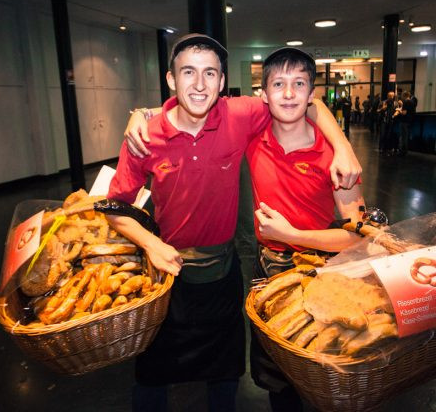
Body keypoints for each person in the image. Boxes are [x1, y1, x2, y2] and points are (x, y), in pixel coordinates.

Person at [115, 33, 361, 412]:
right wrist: (151, 244)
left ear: (222, 81)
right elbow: (113, 206)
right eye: (189, 73)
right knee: (151, 375)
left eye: (210, 73)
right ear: (170, 79)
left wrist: (343, 145)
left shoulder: (240, 118)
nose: (199, 84)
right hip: (167, 272)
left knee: (230, 374)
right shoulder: (148, 136)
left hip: (233, 273)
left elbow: (304, 104)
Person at [245, 47, 364, 412]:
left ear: (311, 93)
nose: (288, 93)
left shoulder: (334, 157)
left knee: (325, 374)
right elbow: (196, 109)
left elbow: (358, 235)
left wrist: (293, 235)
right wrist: (141, 114)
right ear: (263, 95)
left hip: (322, 273)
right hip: (269, 270)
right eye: (278, 84)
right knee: (279, 382)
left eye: (299, 84)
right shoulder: (252, 136)